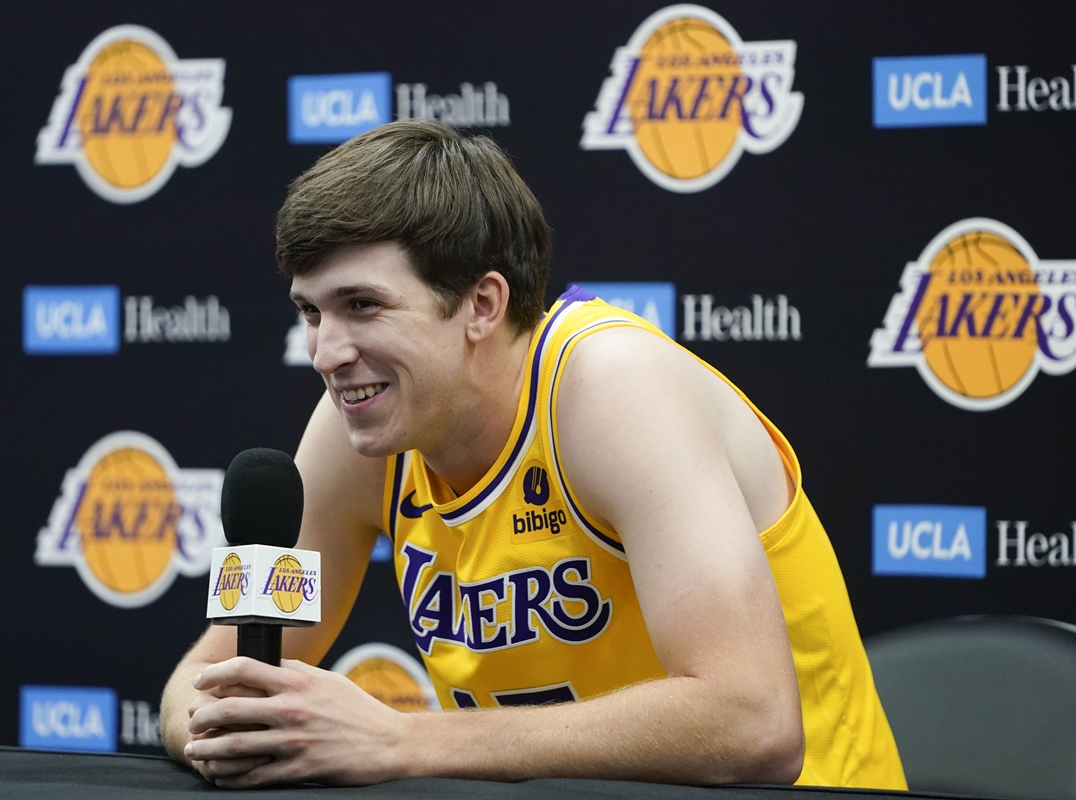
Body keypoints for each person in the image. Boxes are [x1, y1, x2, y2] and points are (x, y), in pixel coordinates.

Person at [159, 120, 907, 790]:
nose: (325, 352)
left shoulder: (609, 385)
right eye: (311, 312)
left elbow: (754, 725)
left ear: (482, 305)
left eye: (363, 306)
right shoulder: (362, 427)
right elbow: (203, 680)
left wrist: (404, 738)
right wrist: (219, 735)